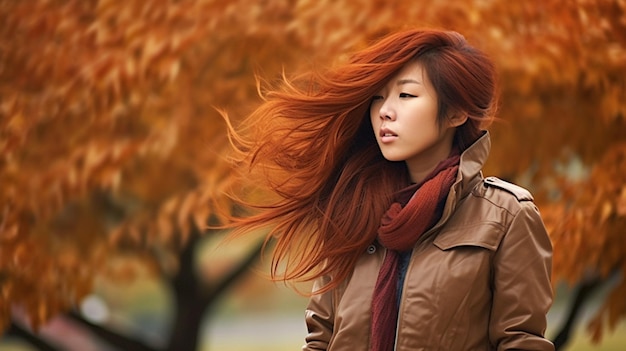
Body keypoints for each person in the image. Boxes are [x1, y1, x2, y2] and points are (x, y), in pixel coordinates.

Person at [223, 28, 554, 351]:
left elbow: (521, 341)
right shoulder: (353, 209)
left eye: (406, 95)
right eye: (378, 97)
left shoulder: (506, 216)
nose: (384, 111)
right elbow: (321, 339)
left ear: (455, 112)